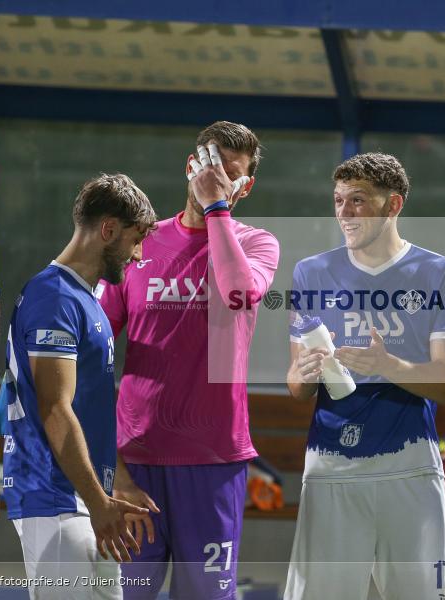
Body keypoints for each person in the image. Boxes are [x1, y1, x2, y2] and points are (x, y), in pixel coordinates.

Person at [97, 122, 279, 599]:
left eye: (230, 175)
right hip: (137, 462)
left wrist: (217, 207)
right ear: (191, 167)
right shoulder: (141, 244)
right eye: (210, 169)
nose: (217, 181)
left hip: (213, 460)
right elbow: (94, 343)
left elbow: (239, 293)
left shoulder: (258, 244)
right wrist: (111, 460)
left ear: (247, 186)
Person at [284, 152, 445, 600]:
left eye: (358, 201)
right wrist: (304, 372)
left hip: (410, 468)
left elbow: (444, 385)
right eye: (339, 201)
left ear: (393, 205)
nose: (344, 212)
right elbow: (297, 386)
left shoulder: (438, 273)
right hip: (331, 467)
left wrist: (387, 366)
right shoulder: (311, 273)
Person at [1, 173, 156, 599]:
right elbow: (55, 408)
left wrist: (117, 483)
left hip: (84, 497)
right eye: (135, 239)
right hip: (54, 496)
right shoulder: (55, 298)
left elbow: (89, 411)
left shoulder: (87, 300)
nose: (138, 254)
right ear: (108, 230)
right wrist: (98, 499)